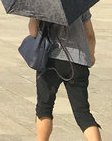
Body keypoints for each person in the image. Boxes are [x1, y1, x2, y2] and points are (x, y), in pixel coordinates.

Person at [29, 10, 101, 141]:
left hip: (50, 60)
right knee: (82, 112)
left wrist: (34, 17)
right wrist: (91, 53)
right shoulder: (79, 3)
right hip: (78, 62)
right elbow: (90, 35)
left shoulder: (43, 4)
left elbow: (33, 33)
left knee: (44, 107)